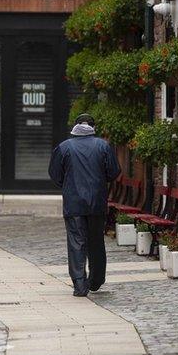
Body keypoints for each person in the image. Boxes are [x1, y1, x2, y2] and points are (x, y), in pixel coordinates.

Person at [48, 113, 121, 297]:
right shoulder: (103, 146)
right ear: (93, 127)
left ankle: (80, 285)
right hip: (97, 202)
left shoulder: (64, 147)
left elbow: (55, 174)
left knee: (76, 242)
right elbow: (113, 172)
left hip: (73, 203)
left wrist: (68, 185)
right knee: (96, 241)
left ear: (75, 127)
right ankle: (96, 280)